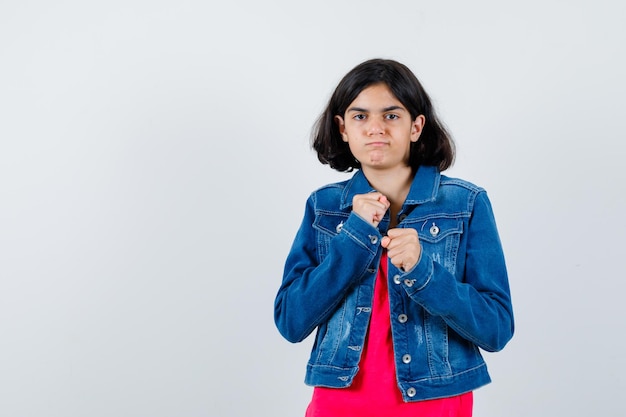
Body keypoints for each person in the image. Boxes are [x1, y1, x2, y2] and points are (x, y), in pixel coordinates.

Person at [273, 58, 514, 416]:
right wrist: (354, 236)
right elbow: (291, 322)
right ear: (342, 128)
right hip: (340, 402)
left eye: (391, 115)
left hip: (435, 402)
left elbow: (495, 328)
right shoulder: (323, 207)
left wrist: (424, 271)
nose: (375, 128)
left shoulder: (467, 203)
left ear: (416, 126)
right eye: (360, 116)